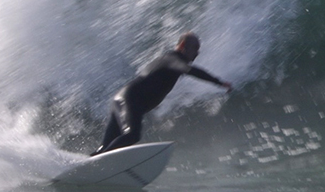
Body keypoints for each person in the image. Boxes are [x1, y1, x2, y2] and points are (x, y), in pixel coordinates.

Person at [93, 32, 232, 155]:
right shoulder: (172, 59)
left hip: (122, 98)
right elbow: (189, 70)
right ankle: (98, 163)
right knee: (132, 135)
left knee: (105, 147)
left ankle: (90, 162)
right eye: (195, 48)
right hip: (130, 99)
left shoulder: (169, 60)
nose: (197, 53)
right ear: (183, 45)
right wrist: (218, 82)